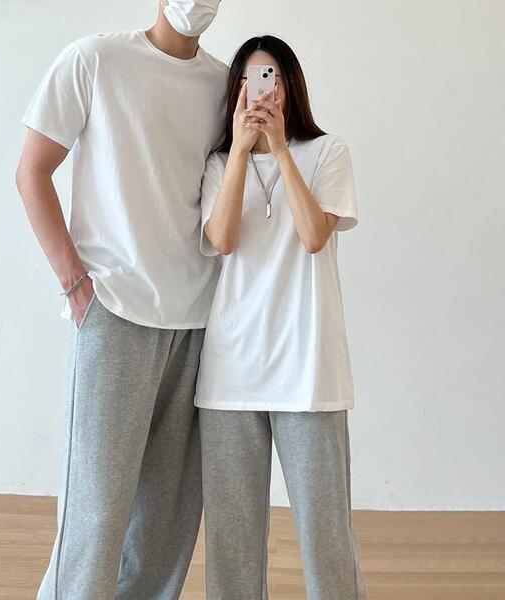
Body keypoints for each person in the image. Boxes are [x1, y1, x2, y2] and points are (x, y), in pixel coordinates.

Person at [14, 1, 226, 598]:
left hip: (198, 322)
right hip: (115, 311)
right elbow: (32, 171)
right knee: (96, 511)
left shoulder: (222, 84)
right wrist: (74, 281)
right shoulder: (95, 60)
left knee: (167, 518)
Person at [195, 35, 370, 600]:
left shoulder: (328, 152)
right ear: (236, 91)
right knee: (232, 545)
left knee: (325, 536)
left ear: (290, 85)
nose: (261, 91)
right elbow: (223, 240)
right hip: (231, 371)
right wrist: (242, 152)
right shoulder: (218, 164)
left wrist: (281, 150)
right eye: (250, 80)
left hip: (309, 369)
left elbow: (314, 236)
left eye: (270, 77)